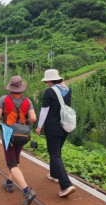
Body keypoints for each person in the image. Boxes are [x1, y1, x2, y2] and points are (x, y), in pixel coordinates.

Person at [0, 76, 37, 205]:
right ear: (21, 88)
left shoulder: (4, 99)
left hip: (9, 132)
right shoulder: (28, 101)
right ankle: (9, 183)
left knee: (11, 163)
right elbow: (33, 118)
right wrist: (23, 122)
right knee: (15, 159)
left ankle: (27, 191)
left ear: (11, 87)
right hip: (22, 134)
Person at [35, 69, 76, 198]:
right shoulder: (68, 90)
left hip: (52, 127)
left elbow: (44, 111)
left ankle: (66, 185)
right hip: (65, 126)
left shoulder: (49, 91)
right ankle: (54, 175)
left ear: (50, 80)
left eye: (46, 81)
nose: (46, 83)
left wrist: (39, 126)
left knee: (54, 154)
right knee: (57, 151)